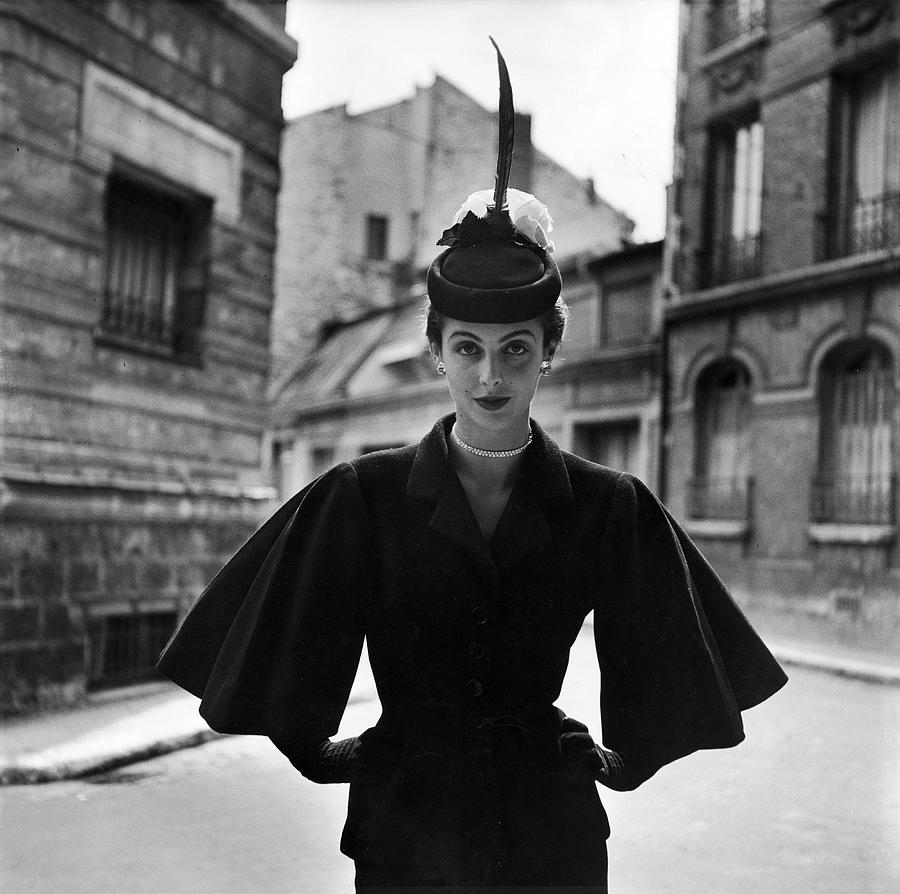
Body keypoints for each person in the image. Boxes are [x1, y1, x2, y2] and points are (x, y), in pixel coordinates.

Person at [158, 40, 787, 894]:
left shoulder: (609, 507)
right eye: (468, 349)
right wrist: (331, 751)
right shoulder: (361, 497)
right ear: (435, 353)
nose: (491, 376)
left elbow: (677, 676)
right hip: (407, 839)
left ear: (550, 350)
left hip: (550, 844)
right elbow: (277, 655)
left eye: (516, 349)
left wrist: (614, 759)